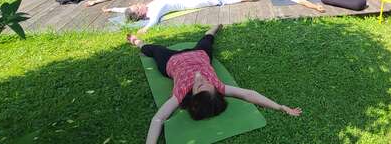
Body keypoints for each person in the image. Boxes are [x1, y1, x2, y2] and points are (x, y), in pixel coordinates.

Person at [126, 24, 302, 144]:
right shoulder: (219, 87)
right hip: (199, 54)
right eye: (206, 84)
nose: (201, 80)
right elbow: (249, 94)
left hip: (172, 61)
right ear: (215, 89)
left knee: (152, 49)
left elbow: (158, 118)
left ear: (193, 95)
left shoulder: (180, 95)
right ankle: (216, 26)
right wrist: (280, 107)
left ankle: (137, 41)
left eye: (199, 86)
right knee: (208, 38)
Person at [103, 0, 257, 33]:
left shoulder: (146, 7)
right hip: (190, 3)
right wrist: (144, 30)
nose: (139, 4)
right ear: (140, 13)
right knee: (217, 0)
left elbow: (125, 10)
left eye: (136, 4)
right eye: (138, 6)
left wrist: (111, 10)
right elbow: (153, 22)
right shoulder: (153, 12)